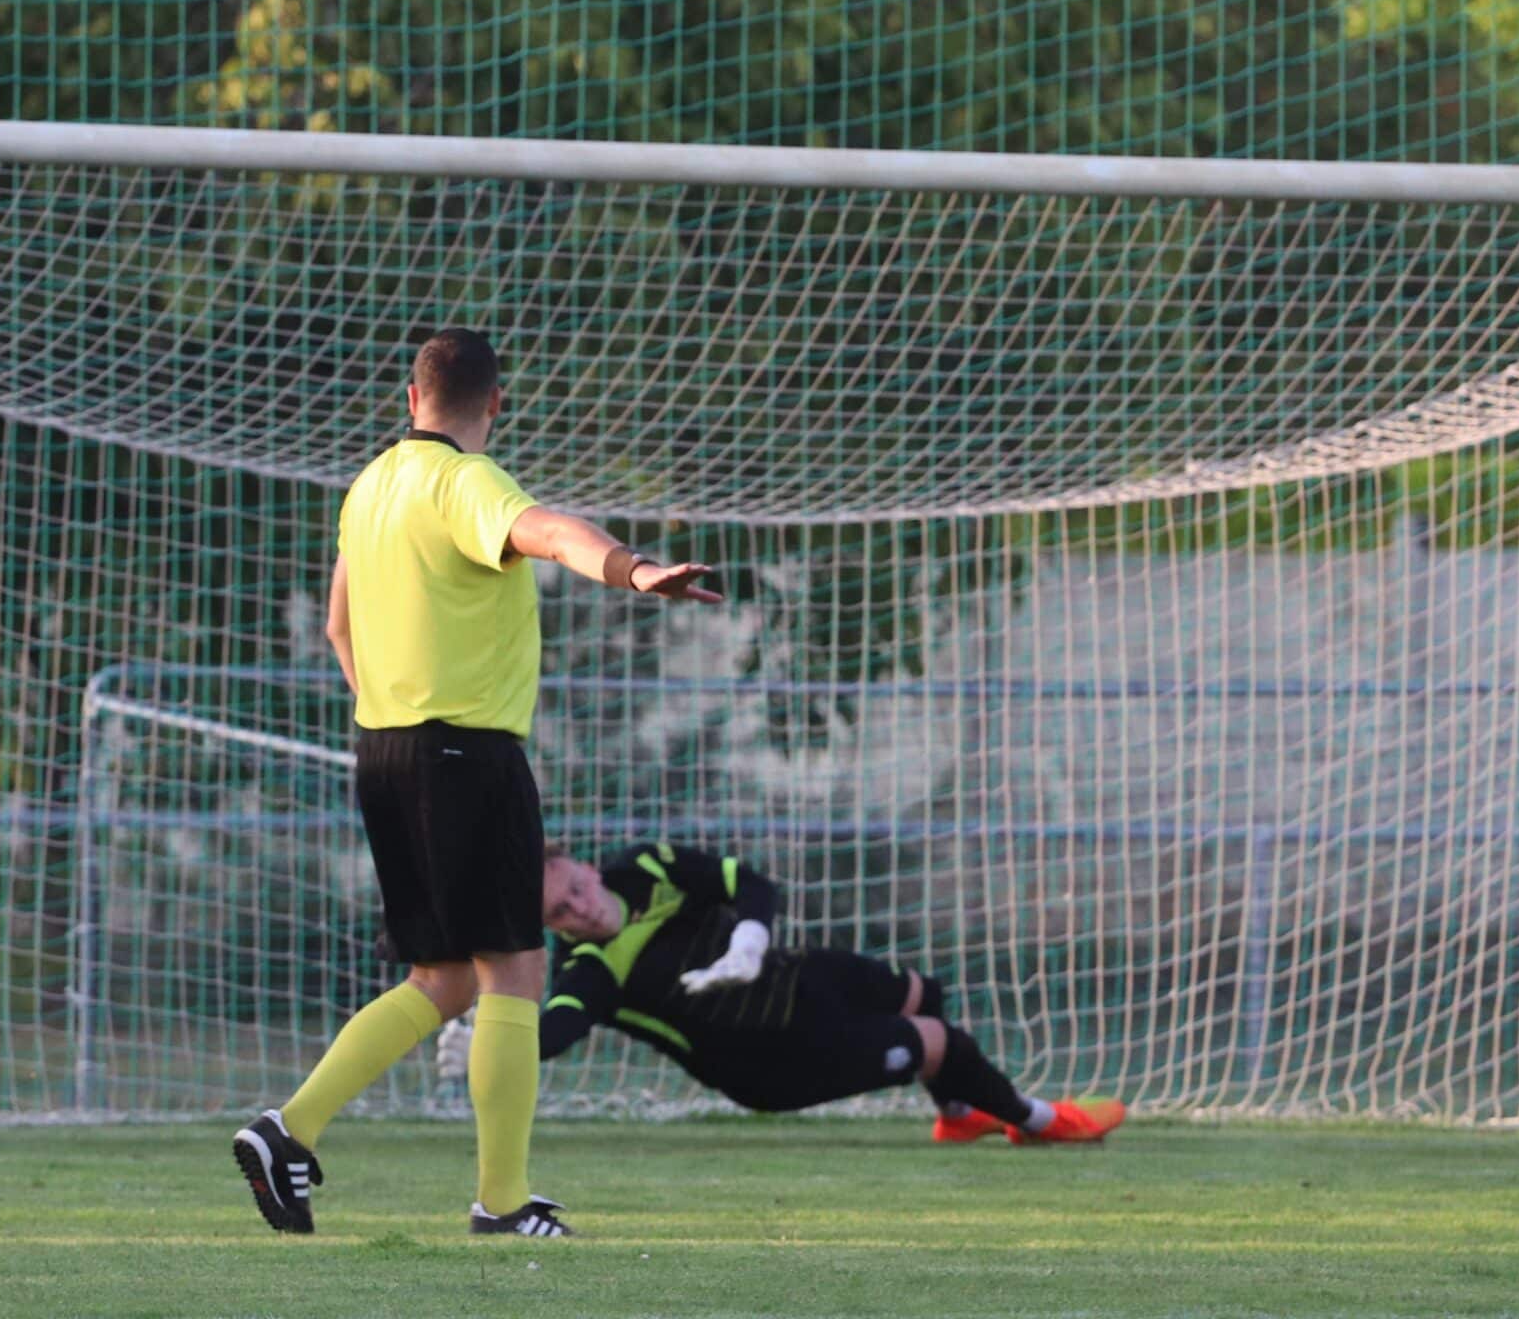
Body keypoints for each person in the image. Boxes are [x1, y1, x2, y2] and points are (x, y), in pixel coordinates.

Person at [232, 328, 722, 1240]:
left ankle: (287, 1130)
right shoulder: (464, 481)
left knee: (446, 978)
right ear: (496, 402)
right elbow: (551, 533)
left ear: (408, 396)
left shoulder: (371, 486)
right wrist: (639, 570)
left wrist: (389, 710)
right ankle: (501, 1202)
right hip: (465, 754)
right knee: (514, 972)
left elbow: (338, 625)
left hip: (385, 750)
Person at [435, 840, 1125, 1143]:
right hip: (771, 1058)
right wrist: (490, 1046)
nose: (579, 909)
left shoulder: (646, 865)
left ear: (586, 867)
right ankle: (1039, 1122)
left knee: (923, 992)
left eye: (574, 890)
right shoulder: (591, 971)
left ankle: (958, 1116)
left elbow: (750, 884)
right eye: (560, 913)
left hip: (794, 977)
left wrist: (748, 939)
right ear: (551, 928)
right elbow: (555, 1031)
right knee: (941, 1042)